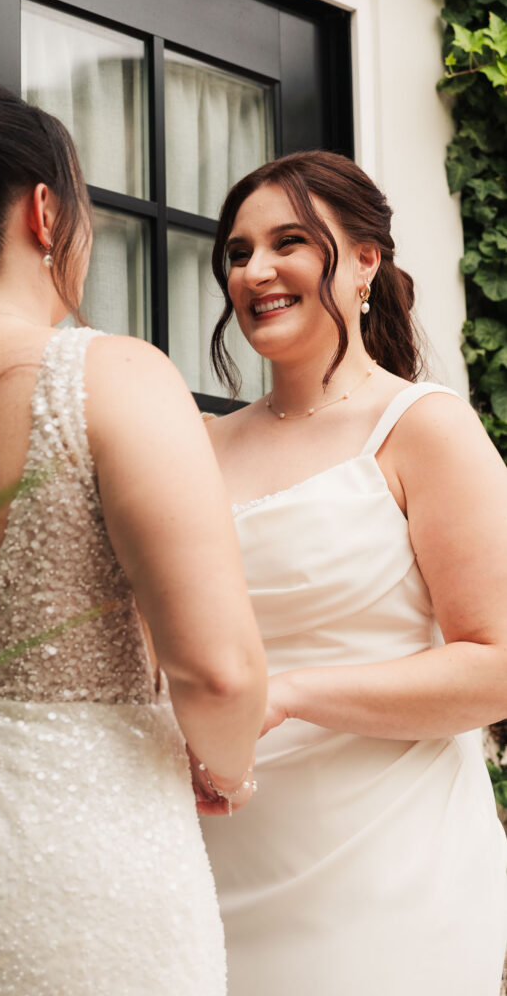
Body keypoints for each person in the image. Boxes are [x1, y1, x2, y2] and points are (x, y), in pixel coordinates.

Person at [0, 80, 267, 995]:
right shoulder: (110, 376)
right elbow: (218, 672)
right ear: (43, 211)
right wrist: (227, 769)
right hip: (83, 884)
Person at [199, 150, 507, 996]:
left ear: (365, 259)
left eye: (288, 242)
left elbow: (496, 666)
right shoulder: (197, 444)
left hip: (386, 870)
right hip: (211, 861)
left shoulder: (423, 429)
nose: (255, 270)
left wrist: (289, 693)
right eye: (236, 252)